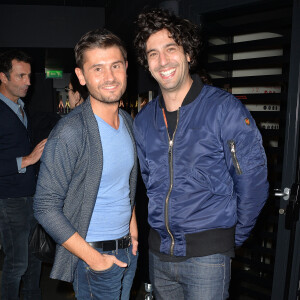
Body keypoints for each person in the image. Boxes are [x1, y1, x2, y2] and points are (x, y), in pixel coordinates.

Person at [133, 8, 269, 300]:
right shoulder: (143, 121)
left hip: (208, 258)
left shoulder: (224, 110)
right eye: (153, 53)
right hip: (159, 255)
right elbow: (149, 185)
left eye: (171, 49)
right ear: (147, 63)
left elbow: (253, 184)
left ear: (188, 54)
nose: (163, 60)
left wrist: (227, 240)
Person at [33, 28, 138, 300]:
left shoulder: (127, 121)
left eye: (115, 66)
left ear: (126, 67)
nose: (110, 77)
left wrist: (133, 228)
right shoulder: (71, 131)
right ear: (81, 76)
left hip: (128, 251)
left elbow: (126, 182)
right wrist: (95, 259)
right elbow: (44, 206)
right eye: (98, 69)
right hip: (95, 259)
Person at [0, 50, 46, 300]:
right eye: (21, 76)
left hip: (29, 195)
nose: (29, 81)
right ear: (3, 78)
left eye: (29, 75)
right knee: (17, 264)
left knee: (34, 261)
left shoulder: (19, 107)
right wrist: (27, 160)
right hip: (10, 199)